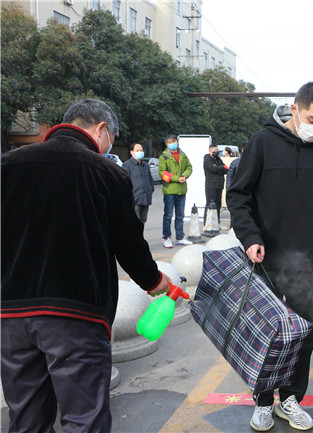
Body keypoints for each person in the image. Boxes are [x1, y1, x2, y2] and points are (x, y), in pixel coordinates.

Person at [1, 98, 171, 432]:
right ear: (102, 129)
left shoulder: (7, 165)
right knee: (85, 419)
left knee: (27, 420)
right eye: (111, 139)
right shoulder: (106, 172)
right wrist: (154, 281)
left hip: (11, 314)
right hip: (75, 315)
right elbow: (129, 244)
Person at [227, 81, 313, 432]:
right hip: (264, 259)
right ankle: (263, 401)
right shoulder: (262, 142)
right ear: (295, 109)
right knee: (267, 332)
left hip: (309, 260)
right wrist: (250, 237)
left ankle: (291, 398)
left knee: (304, 333)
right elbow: (238, 196)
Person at [159, 134, 193, 248]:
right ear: (166, 144)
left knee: (180, 216)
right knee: (168, 215)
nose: (172, 144)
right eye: (169, 142)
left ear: (177, 142)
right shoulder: (164, 157)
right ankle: (167, 237)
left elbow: (189, 167)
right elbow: (162, 172)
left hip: (181, 190)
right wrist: (176, 178)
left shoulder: (183, 154)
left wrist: (184, 176)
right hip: (169, 190)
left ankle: (180, 237)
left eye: (173, 141)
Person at [122, 142, 155, 224]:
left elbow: (150, 180)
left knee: (143, 220)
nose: (140, 152)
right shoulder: (127, 165)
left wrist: (150, 190)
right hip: (134, 200)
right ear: (131, 152)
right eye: (137, 150)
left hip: (145, 198)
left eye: (141, 150)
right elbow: (124, 183)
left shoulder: (146, 165)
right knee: (135, 222)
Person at [204, 143, 229, 227]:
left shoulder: (218, 159)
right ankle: (206, 224)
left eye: (217, 150)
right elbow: (213, 169)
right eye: (214, 150)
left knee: (218, 205)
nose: (216, 151)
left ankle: (217, 223)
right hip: (211, 186)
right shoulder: (207, 159)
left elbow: (226, 169)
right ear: (210, 151)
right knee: (210, 205)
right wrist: (221, 168)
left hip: (219, 186)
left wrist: (220, 168)